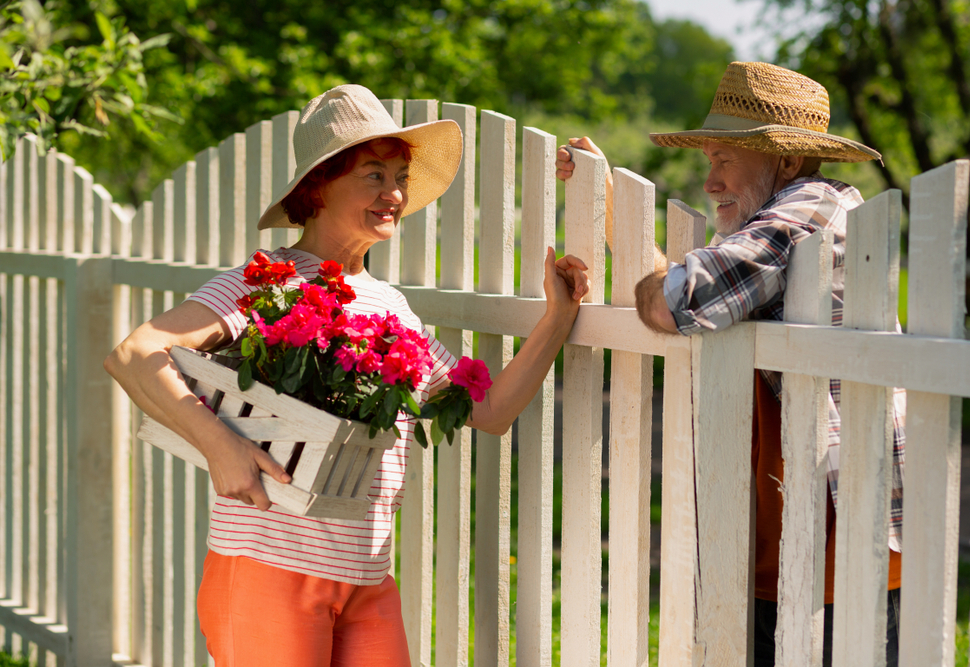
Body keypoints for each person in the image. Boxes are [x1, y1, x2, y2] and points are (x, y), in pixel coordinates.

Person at [106, 84, 590, 667]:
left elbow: (487, 412)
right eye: (373, 175)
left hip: (364, 573)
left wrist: (558, 318)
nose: (395, 194)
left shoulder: (390, 305)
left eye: (401, 178)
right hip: (269, 568)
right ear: (318, 186)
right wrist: (219, 446)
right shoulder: (268, 281)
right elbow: (136, 353)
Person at [556, 62, 904, 666]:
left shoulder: (810, 215)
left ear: (788, 162)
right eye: (710, 160)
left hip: (832, 533)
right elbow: (695, 291)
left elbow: (679, 299)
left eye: (725, 161)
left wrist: (668, 281)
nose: (711, 181)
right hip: (795, 521)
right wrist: (610, 204)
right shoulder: (778, 219)